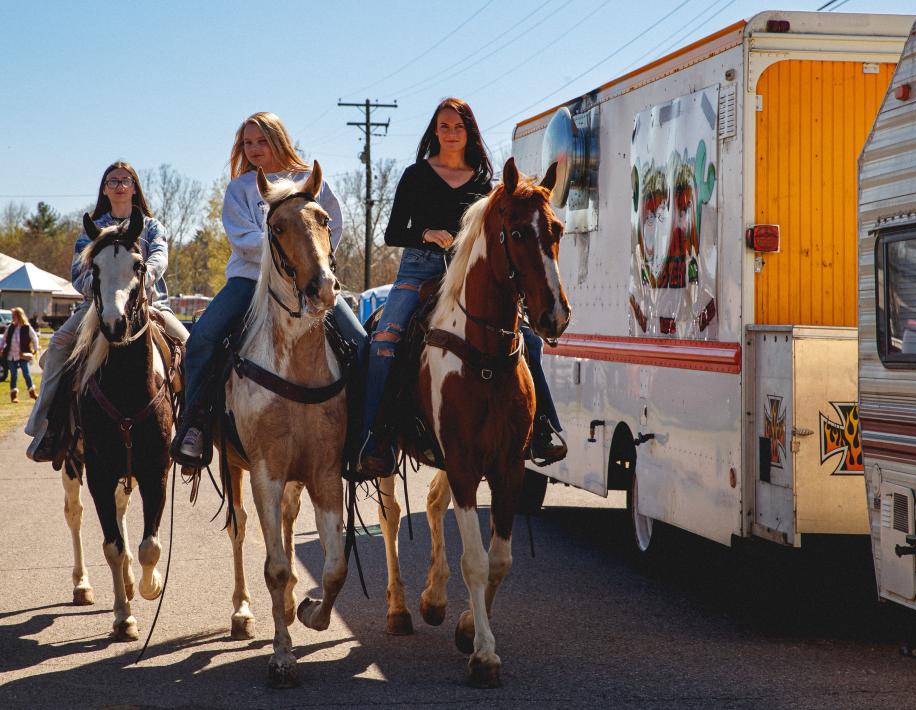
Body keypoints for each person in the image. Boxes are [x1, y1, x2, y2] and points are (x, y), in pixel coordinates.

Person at [358, 97, 566, 477]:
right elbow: (391, 233)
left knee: (528, 340)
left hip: (467, 274)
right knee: (385, 340)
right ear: (434, 132)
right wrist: (425, 233)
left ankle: (543, 430)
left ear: (469, 131)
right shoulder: (416, 175)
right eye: (444, 126)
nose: (451, 133)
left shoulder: (485, 183)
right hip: (418, 272)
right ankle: (376, 437)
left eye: (458, 127)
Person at [172, 111, 367, 464]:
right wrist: (286, 243)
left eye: (262, 141)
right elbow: (242, 239)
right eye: (247, 143)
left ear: (279, 140)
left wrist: (309, 260)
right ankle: (195, 425)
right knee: (202, 339)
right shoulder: (241, 188)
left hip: (310, 281)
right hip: (251, 281)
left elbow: (331, 225)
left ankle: (364, 432)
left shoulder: (310, 180)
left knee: (359, 341)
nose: (254, 149)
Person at [25, 161, 189, 461]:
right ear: (104, 188)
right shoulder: (92, 229)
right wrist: (105, 290)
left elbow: (158, 261)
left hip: (150, 304)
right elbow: (78, 272)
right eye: (113, 181)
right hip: (95, 309)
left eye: (125, 180)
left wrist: (134, 284)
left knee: (190, 347)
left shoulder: (152, 226)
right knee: (59, 344)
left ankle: (193, 430)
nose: (119, 185)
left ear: (134, 187)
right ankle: (47, 426)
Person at [1, 307, 39, 403]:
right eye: (12, 316)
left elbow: (34, 338)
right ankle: (13, 396)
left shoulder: (27, 327)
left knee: (26, 374)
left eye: (14, 316)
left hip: (22, 355)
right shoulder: (10, 327)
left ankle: (32, 393)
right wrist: (0, 348)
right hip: (11, 355)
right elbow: (4, 339)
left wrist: (35, 348)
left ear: (19, 316)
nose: (13, 318)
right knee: (13, 375)